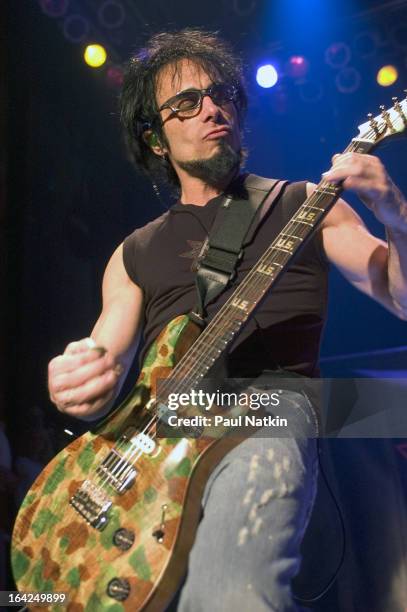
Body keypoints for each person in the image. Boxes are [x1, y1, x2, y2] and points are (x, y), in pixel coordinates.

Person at [47, 29, 407, 611]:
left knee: (229, 597)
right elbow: (105, 356)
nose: (211, 108)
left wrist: (398, 215)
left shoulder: (305, 204)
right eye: (185, 103)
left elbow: (401, 298)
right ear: (156, 140)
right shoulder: (132, 252)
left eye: (220, 94)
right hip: (157, 440)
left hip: (267, 409)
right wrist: (76, 376)